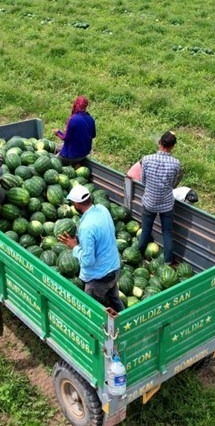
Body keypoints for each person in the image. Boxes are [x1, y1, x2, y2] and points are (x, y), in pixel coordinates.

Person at [58, 185, 124, 313]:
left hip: (99, 278)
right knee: (114, 299)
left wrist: (74, 247)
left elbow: (88, 261)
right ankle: (125, 320)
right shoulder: (102, 209)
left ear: (77, 204)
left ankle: (97, 331)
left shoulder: (87, 227)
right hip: (114, 268)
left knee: (91, 309)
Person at [137, 131, 183, 266]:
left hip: (149, 202)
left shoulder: (147, 159)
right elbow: (173, 183)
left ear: (159, 143)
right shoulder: (176, 163)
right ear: (173, 146)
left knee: (146, 230)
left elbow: (143, 180)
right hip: (166, 204)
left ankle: (138, 255)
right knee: (167, 233)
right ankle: (168, 261)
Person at [53, 96, 96, 166]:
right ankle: (76, 165)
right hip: (84, 154)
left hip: (72, 156)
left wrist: (58, 132)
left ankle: (71, 163)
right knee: (59, 147)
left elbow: (66, 138)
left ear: (75, 104)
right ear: (86, 106)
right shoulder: (91, 119)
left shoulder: (73, 119)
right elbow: (93, 135)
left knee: (53, 161)